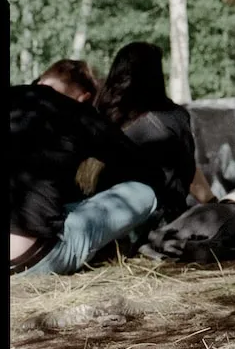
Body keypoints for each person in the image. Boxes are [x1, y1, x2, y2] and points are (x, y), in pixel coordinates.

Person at [10, 58, 163, 276]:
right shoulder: (73, 110)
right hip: (29, 261)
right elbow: (140, 165)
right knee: (144, 193)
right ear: (85, 97)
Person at [93, 42, 198, 228]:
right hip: (166, 219)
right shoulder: (176, 117)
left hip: (109, 218)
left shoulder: (100, 117)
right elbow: (187, 170)